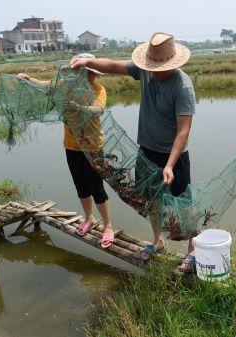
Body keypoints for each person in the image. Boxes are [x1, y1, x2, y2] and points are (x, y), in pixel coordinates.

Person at [70, 32, 197, 272]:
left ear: (172, 64)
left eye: (159, 67)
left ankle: (192, 252)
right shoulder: (145, 72)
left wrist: (170, 164)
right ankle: (158, 241)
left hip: (174, 156)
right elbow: (114, 66)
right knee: (151, 200)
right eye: (152, 66)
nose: (154, 71)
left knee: (184, 203)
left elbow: (184, 130)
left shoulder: (182, 85)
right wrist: (87, 62)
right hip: (146, 151)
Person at [17, 53, 115, 248]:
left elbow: (99, 110)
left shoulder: (98, 89)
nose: (86, 76)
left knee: (97, 188)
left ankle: (108, 226)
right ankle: (89, 218)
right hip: (71, 146)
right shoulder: (64, 86)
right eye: (80, 72)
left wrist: (77, 107)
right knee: (80, 185)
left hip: (92, 146)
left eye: (87, 73)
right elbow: (45, 86)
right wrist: (28, 79)